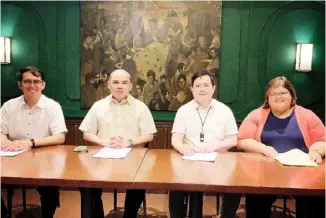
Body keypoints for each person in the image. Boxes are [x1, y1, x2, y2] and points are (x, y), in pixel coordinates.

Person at [238, 76, 325, 218]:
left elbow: (322, 139)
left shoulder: (307, 115)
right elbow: (242, 140)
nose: (278, 97)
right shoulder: (256, 115)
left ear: (292, 95)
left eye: (283, 93)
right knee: (256, 198)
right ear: (267, 97)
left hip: (303, 172)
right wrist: (264, 149)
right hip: (265, 172)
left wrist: (316, 151)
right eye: (273, 94)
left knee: (315, 198)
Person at [79, 69, 157, 218]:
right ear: (109, 84)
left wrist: (129, 142)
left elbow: (149, 135)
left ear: (131, 86)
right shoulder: (98, 106)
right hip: (102, 159)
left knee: (140, 181)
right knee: (86, 185)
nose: (119, 86)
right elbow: (86, 133)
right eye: (115, 82)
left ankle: (129, 215)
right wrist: (105, 142)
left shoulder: (141, 107)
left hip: (132, 160)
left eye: (124, 83)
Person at [169, 70, 241, 218]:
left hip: (218, 161)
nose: (202, 89)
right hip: (190, 160)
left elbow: (233, 140)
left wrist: (214, 147)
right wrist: (183, 148)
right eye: (198, 85)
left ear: (213, 88)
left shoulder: (224, 111)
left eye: (206, 85)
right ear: (192, 89)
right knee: (175, 185)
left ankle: (226, 215)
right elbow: (175, 138)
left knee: (235, 185)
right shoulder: (183, 110)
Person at [1, 66, 67, 218]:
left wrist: (31, 142)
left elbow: (60, 137)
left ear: (43, 85)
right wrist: (4, 142)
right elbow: (1, 132)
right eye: (27, 81)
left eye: (36, 81)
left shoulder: (52, 106)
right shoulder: (9, 106)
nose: (32, 86)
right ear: (20, 84)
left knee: (49, 188)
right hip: (13, 157)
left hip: (44, 158)